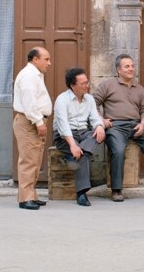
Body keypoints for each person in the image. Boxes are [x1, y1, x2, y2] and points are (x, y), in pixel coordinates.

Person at [92, 53, 144, 202]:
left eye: (132, 66)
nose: (131, 69)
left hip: (135, 124)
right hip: (115, 126)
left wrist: (142, 123)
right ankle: (116, 189)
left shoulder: (139, 88)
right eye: (127, 66)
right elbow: (92, 102)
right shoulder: (107, 85)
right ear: (118, 70)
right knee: (118, 150)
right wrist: (101, 120)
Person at [52, 68, 106, 207]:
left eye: (87, 82)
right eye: (83, 83)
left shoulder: (89, 99)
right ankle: (81, 194)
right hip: (65, 135)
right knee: (83, 154)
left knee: (99, 134)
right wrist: (73, 145)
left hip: (84, 133)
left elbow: (94, 118)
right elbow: (63, 125)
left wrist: (99, 126)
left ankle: (75, 155)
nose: (87, 85)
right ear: (72, 85)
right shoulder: (62, 99)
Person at [12, 47, 53, 210]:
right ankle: (25, 198)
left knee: (35, 159)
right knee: (29, 160)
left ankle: (31, 194)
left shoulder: (35, 75)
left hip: (33, 122)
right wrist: (38, 122)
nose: (49, 63)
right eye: (46, 59)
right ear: (35, 59)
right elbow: (30, 103)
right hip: (29, 123)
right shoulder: (29, 75)